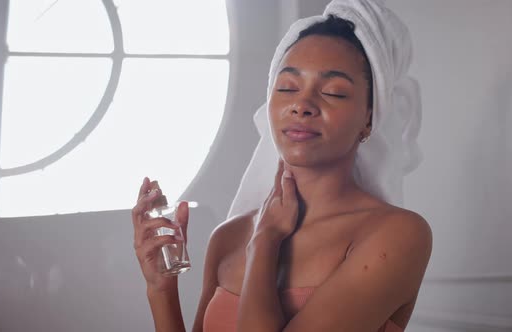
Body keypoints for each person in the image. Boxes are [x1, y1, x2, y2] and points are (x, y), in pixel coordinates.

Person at [131, 1, 431, 331]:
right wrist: (161, 289)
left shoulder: (396, 235)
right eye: (287, 87)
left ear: (369, 118)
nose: (302, 105)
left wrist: (265, 242)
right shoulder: (229, 237)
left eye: (334, 92)